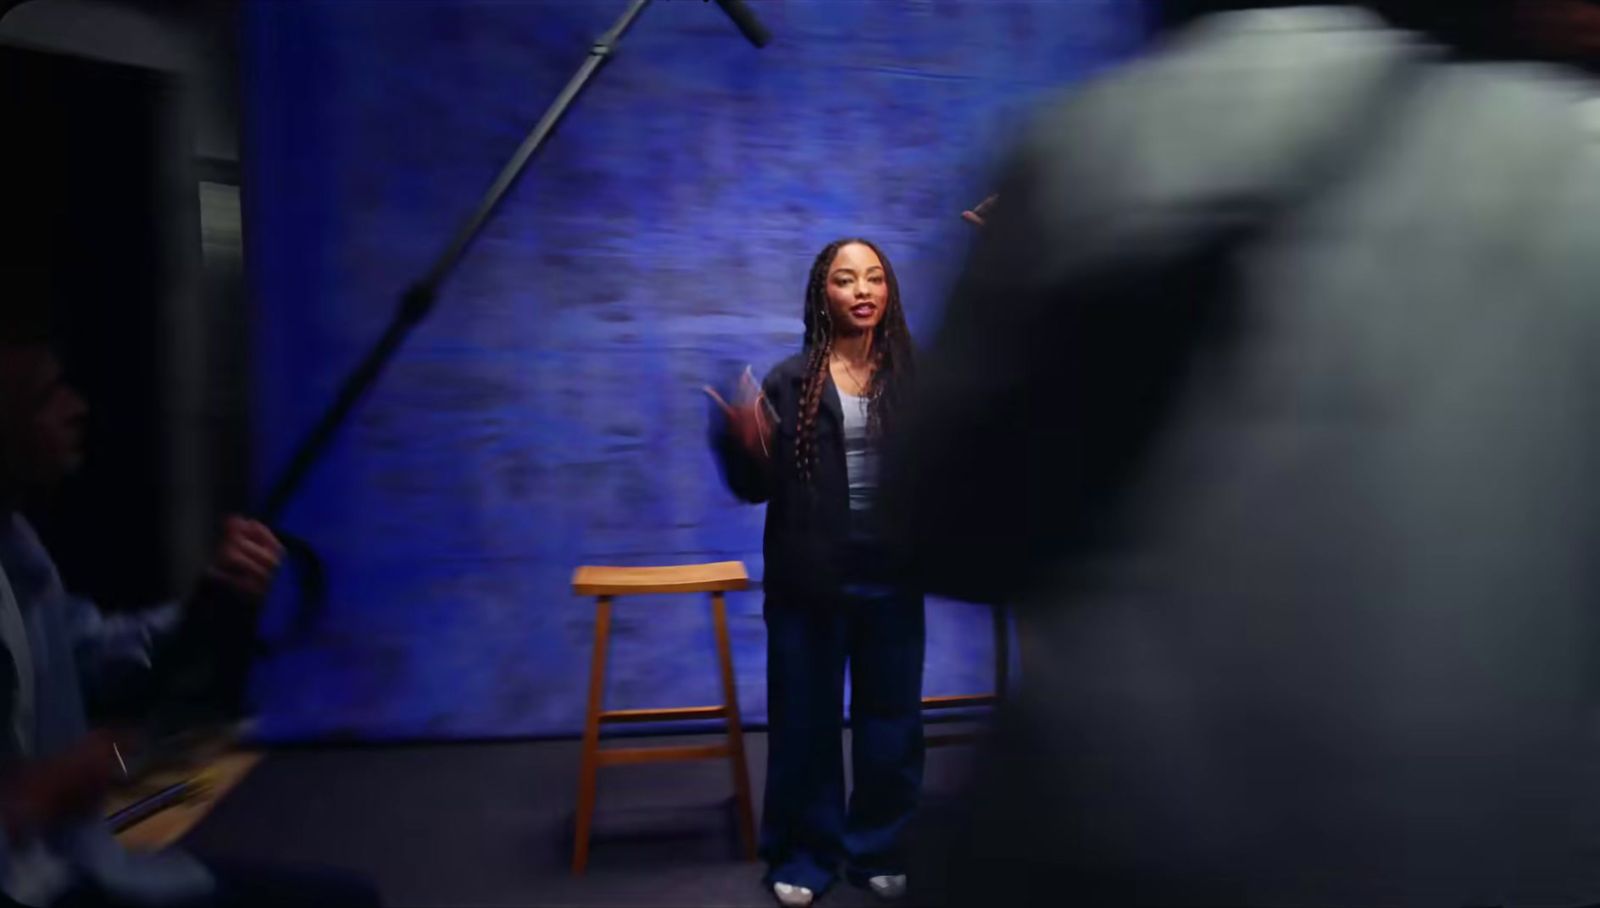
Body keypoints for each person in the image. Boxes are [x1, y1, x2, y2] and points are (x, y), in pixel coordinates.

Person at [888, 1, 1600, 905]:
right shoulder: (1577, 165)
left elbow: (931, 524)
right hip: (1501, 847)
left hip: (1144, 842)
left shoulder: (1112, 141)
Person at [0, 318, 381, 908]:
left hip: (77, 864)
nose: (76, 408)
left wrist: (211, 596)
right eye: (46, 396)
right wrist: (37, 795)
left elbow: (97, 654)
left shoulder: (18, 555)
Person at [708, 238, 921, 908]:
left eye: (874, 278)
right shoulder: (790, 379)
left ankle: (878, 845)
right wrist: (743, 444)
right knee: (807, 723)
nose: (862, 289)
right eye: (845, 279)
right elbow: (756, 487)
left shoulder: (913, 375)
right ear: (821, 295)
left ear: (887, 292)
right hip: (810, 581)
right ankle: (807, 852)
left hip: (890, 576)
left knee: (891, 722)